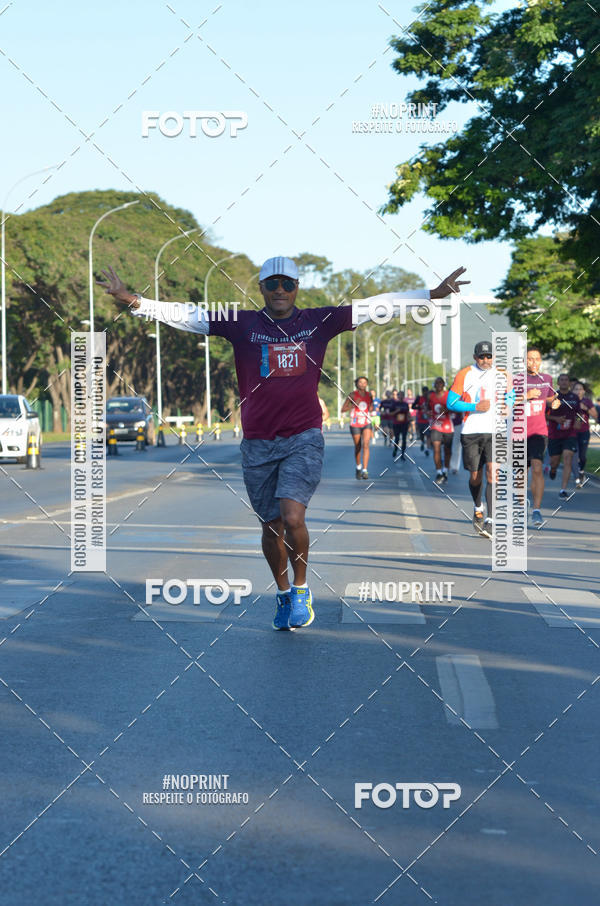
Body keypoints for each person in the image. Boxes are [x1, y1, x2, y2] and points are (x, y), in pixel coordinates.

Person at [97, 258, 468, 630]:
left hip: (303, 437)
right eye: (272, 283)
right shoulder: (241, 324)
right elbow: (186, 314)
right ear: (260, 288)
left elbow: (375, 306)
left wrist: (431, 295)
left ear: (296, 288)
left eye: (287, 284)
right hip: (258, 442)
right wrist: (132, 299)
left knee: (293, 517)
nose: (279, 290)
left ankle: (303, 590)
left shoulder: (318, 321)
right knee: (271, 526)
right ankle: (283, 592)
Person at [447, 340, 511, 539]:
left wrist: (507, 405)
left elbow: (511, 395)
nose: (486, 360)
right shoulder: (465, 374)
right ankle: (477, 507)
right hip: (472, 430)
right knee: (475, 476)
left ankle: (491, 519)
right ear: (475, 357)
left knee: (494, 473)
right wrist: (474, 407)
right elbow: (451, 403)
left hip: (496, 430)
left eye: (489, 356)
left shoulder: (502, 374)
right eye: (482, 356)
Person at [523, 347, 559, 526]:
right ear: (524, 361)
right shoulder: (517, 380)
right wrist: (526, 395)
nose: (534, 362)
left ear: (541, 361)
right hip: (519, 432)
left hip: (539, 432)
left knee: (537, 468)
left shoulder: (547, 379)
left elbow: (550, 399)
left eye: (537, 359)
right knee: (521, 473)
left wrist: (555, 402)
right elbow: (507, 401)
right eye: (530, 359)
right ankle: (521, 504)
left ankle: (536, 510)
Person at [547, 373, 579, 500]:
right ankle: (553, 469)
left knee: (567, 458)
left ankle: (563, 489)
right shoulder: (553, 398)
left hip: (570, 434)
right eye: (562, 380)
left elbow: (579, 414)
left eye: (567, 380)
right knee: (554, 461)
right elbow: (544, 415)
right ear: (558, 383)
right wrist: (556, 418)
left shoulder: (574, 397)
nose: (564, 382)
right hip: (555, 434)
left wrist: (578, 421)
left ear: (569, 383)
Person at [342, 376, 373, 479]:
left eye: (365, 382)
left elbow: (371, 408)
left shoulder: (369, 395)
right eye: (360, 382)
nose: (363, 384)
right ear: (357, 384)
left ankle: (365, 470)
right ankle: (358, 467)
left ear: (367, 384)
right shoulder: (352, 395)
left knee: (366, 445)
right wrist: (354, 405)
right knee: (358, 446)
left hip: (366, 422)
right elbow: (343, 409)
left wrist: (374, 417)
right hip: (355, 423)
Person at [428, 377, 453, 483]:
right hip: (436, 425)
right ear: (434, 385)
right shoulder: (431, 396)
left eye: (440, 383)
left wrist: (447, 409)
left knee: (447, 450)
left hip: (447, 426)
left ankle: (445, 470)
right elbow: (428, 408)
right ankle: (439, 472)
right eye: (437, 383)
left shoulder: (448, 395)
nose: (438, 385)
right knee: (436, 448)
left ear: (444, 384)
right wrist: (428, 412)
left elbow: (454, 407)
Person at [572, 381, 597, 488]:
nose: (578, 391)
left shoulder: (587, 401)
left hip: (584, 432)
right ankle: (577, 478)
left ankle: (581, 471)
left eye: (580, 389)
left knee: (582, 456)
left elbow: (595, 415)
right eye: (576, 389)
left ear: (584, 391)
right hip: (571, 433)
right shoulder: (569, 400)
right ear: (572, 391)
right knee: (574, 455)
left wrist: (585, 408)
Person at [390, 390, 410, 460]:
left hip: (404, 423)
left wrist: (409, 420)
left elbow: (408, 413)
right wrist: (396, 411)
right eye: (399, 395)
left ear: (404, 397)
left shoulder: (405, 404)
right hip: (396, 423)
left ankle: (402, 454)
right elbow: (390, 413)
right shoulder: (394, 404)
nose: (401, 397)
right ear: (397, 396)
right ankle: (395, 449)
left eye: (402, 395)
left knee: (404, 439)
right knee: (397, 438)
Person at [414, 386, 430, 455]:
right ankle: (423, 442)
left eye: (427, 392)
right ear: (423, 392)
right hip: (420, 419)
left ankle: (427, 449)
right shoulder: (419, 398)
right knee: (422, 434)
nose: (426, 394)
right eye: (424, 392)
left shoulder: (430, 399)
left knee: (428, 435)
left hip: (428, 420)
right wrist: (420, 407)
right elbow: (413, 406)